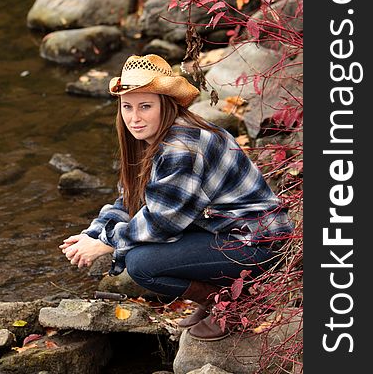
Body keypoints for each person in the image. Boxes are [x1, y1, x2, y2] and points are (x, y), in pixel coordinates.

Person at [60, 54, 293, 341]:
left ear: (165, 104)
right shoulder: (148, 140)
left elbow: (161, 222)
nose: (134, 118)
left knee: (141, 264)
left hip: (258, 242)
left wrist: (104, 243)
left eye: (145, 106)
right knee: (139, 251)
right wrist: (92, 233)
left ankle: (232, 304)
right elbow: (129, 202)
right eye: (127, 107)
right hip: (220, 229)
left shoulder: (182, 145)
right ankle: (214, 300)